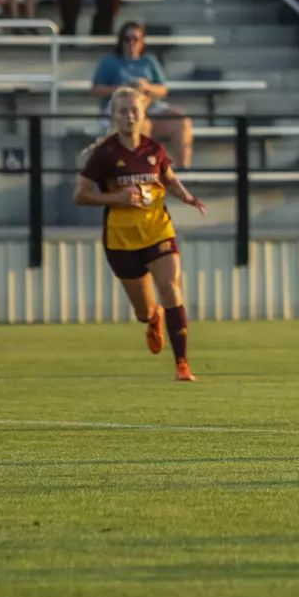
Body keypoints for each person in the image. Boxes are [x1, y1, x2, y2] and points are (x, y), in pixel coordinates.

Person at [74, 86, 206, 382]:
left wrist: (186, 197)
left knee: (170, 287)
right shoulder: (104, 154)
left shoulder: (154, 150)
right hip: (122, 240)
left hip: (158, 231)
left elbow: (168, 180)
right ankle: (153, 318)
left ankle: (182, 364)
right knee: (144, 312)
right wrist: (116, 199)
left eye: (135, 111)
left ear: (144, 114)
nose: (130, 116)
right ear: (113, 116)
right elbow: (81, 195)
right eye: (123, 111)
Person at [90, 23, 194, 168]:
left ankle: (184, 170)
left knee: (181, 119)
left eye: (135, 39)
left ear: (142, 41)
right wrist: (124, 88)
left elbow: (163, 90)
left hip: (151, 108)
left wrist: (146, 87)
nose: (131, 43)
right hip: (123, 110)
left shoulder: (149, 61)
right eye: (127, 39)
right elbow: (96, 89)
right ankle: (139, 171)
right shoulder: (110, 61)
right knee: (140, 123)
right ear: (121, 41)